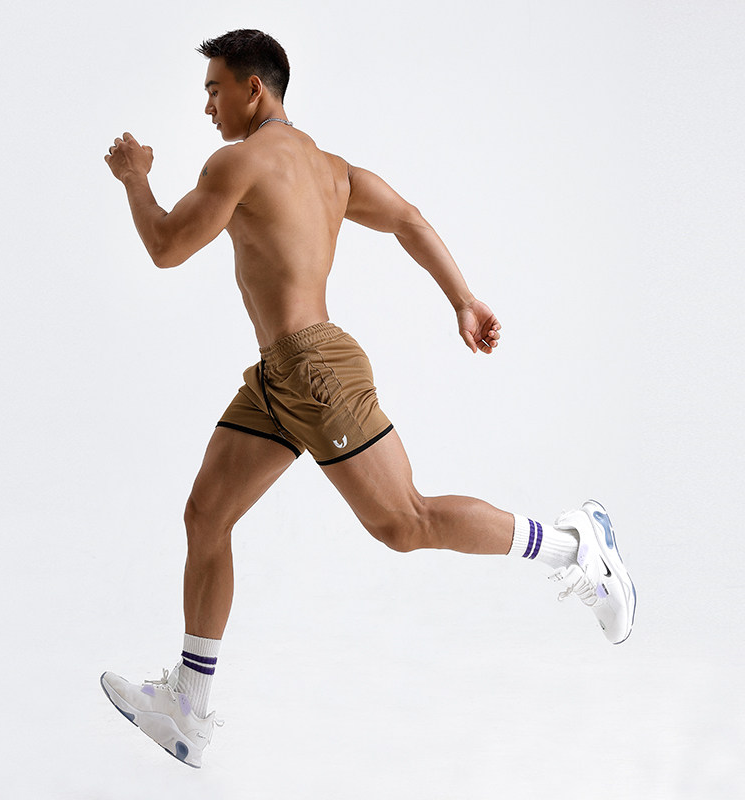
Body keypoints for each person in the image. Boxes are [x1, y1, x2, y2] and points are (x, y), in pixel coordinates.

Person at [100, 29, 636, 768]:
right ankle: (188, 706)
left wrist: (134, 177)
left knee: (406, 522)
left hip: (315, 371)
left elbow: (165, 246)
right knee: (206, 516)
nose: (208, 107)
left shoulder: (238, 162)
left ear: (254, 88)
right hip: (279, 377)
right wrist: (463, 299)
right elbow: (408, 218)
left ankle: (577, 546)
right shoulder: (334, 171)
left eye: (214, 90)